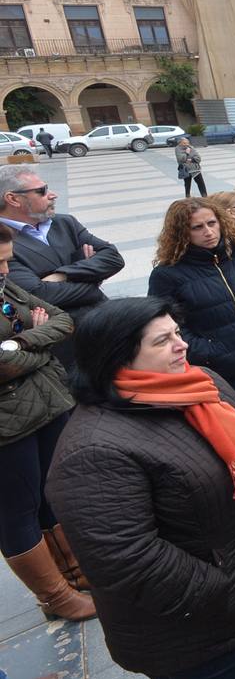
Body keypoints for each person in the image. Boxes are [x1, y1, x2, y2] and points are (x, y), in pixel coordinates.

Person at [46, 297, 235, 677]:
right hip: (197, 638)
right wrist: (227, 591)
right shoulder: (92, 450)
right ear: (117, 357)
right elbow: (128, 559)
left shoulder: (201, 382)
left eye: (177, 332)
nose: (181, 345)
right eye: (161, 341)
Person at [0, 224, 92, 623]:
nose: (5, 270)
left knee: (51, 493)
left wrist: (20, 344)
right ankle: (55, 596)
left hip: (45, 406)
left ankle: (75, 573)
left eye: (6, 260)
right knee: (17, 512)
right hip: (7, 425)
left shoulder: (5, 288)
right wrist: (35, 341)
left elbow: (60, 321)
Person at [148, 198, 235, 407]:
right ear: (182, 232)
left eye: (212, 223)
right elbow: (165, 325)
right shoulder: (167, 274)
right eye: (197, 227)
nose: (208, 232)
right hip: (223, 370)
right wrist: (206, 352)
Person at [0, 166, 124, 366]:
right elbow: (39, 294)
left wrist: (63, 274)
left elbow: (113, 258)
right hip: (65, 343)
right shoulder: (3, 242)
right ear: (13, 199)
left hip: (106, 323)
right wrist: (92, 276)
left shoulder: (64, 223)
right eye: (41, 191)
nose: (52, 195)